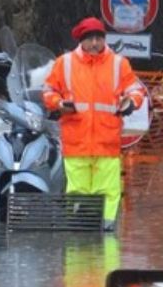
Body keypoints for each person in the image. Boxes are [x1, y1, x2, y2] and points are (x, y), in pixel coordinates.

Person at [43, 17, 146, 231]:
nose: (95, 43)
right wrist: (59, 103)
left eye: (99, 38)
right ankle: (80, 229)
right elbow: (48, 91)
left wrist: (131, 103)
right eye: (90, 39)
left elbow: (136, 90)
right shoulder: (65, 63)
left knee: (108, 189)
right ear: (81, 41)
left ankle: (107, 231)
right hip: (76, 141)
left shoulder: (119, 64)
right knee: (78, 190)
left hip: (106, 141)